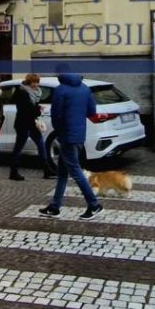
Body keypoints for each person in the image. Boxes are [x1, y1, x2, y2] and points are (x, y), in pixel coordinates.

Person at [39, 64, 102, 220]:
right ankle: (55, 207)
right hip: (79, 135)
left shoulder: (61, 90)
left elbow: (56, 115)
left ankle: (94, 205)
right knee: (62, 172)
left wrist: (59, 131)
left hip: (66, 136)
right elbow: (92, 112)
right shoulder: (85, 88)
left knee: (75, 171)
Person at [10, 73, 53, 180]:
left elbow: (32, 107)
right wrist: (38, 110)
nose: (36, 84)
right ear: (29, 82)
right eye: (34, 82)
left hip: (32, 124)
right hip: (23, 124)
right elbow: (26, 109)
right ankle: (13, 172)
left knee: (41, 145)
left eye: (37, 82)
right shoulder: (22, 92)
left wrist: (37, 107)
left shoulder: (35, 93)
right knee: (18, 148)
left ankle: (47, 170)